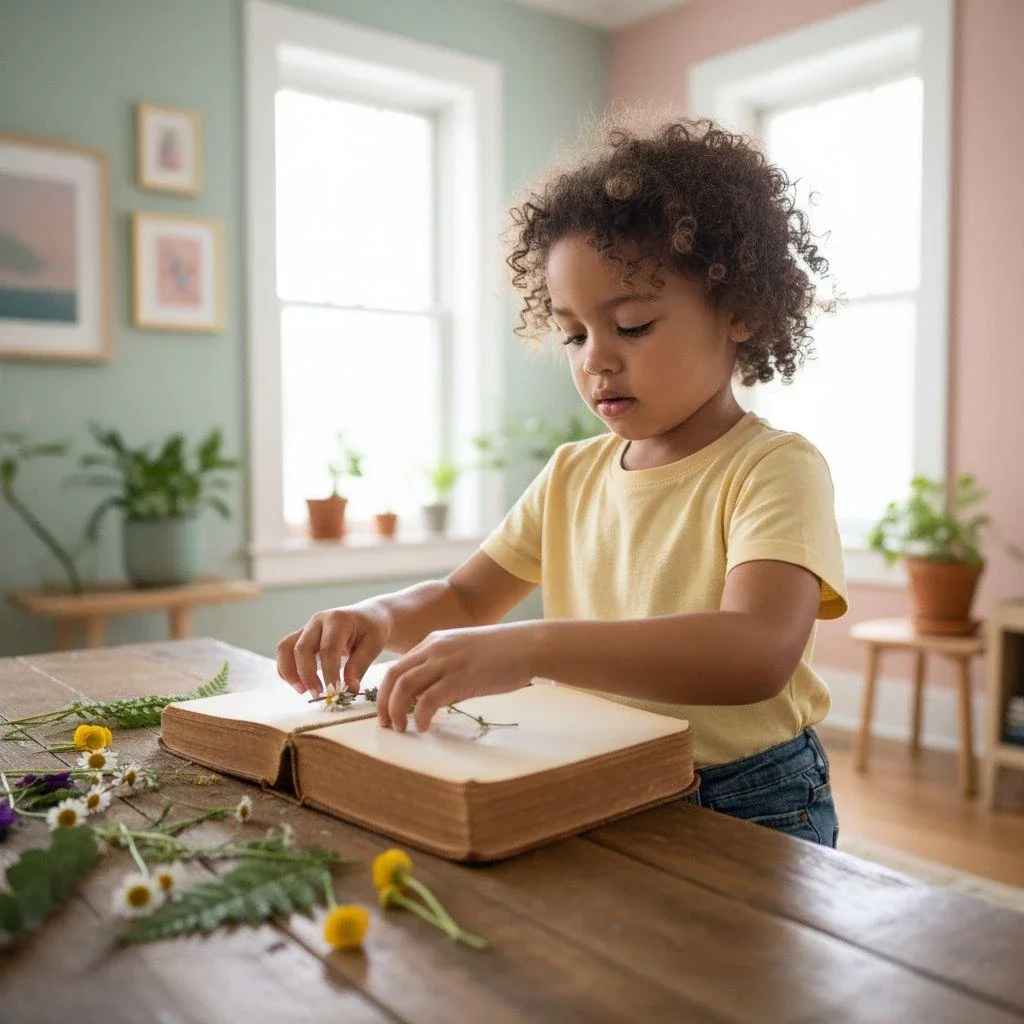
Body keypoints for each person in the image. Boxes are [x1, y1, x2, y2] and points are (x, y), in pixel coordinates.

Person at [276, 115, 848, 847]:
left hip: (744, 793)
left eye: (633, 325)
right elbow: (463, 597)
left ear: (738, 311)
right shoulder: (572, 473)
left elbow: (756, 651)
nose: (595, 361)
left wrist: (532, 648)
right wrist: (380, 617)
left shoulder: (772, 467)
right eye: (574, 334)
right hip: (598, 769)